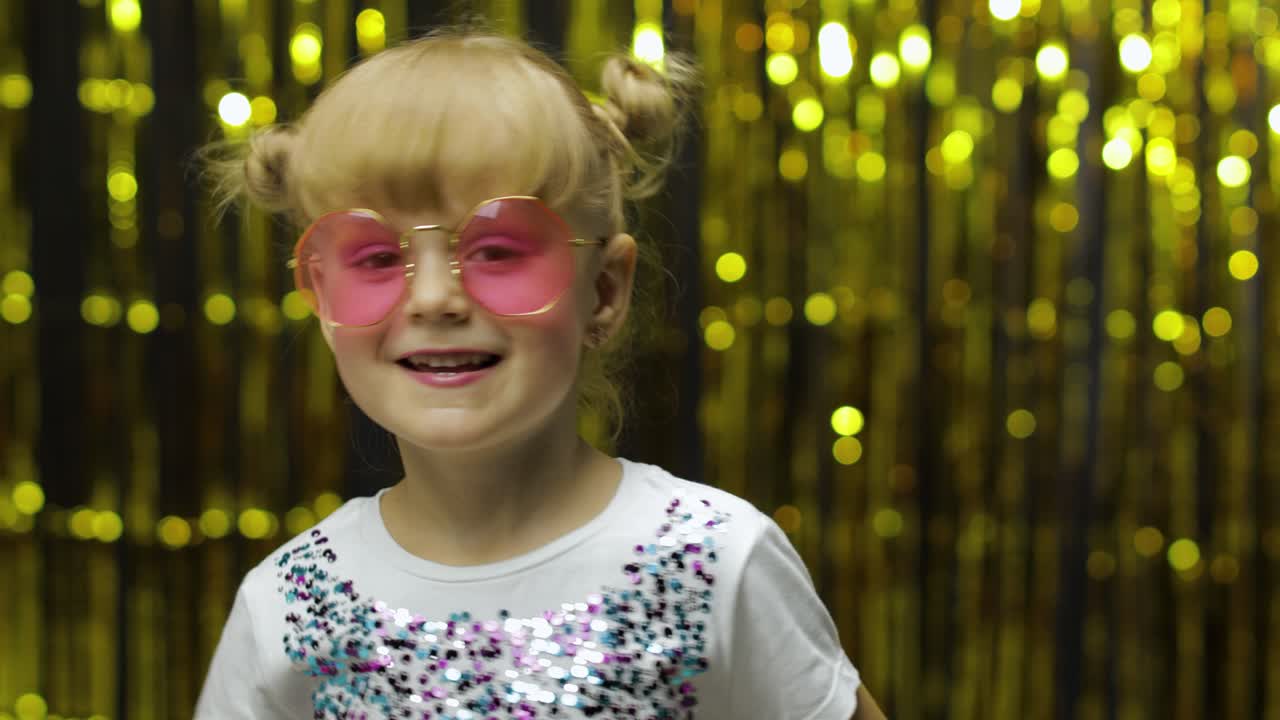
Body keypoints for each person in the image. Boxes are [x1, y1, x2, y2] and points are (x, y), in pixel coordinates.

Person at [194, 25, 886, 720]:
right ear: (320, 299)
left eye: (498, 249)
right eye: (374, 257)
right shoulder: (289, 600)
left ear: (605, 291)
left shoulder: (714, 560)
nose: (434, 298)